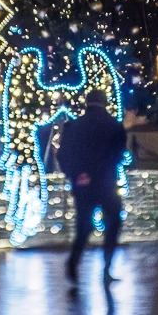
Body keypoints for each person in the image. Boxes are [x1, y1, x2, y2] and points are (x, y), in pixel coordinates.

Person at [58, 87, 128, 286]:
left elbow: (63, 155)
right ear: (105, 102)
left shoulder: (73, 126)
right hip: (106, 184)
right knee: (113, 223)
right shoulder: (114, 125)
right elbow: (118, 155)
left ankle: (73, 262)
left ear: (86, 103)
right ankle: (107, 268)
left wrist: (77, 175)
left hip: (84, 185)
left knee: (83, 227)